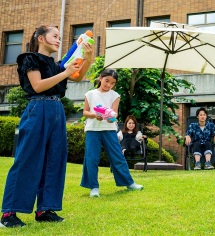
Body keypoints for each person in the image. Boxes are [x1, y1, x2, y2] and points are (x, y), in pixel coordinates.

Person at [1, 25, 93, 228]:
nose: (59, 40)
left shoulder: (55, 64)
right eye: (55, 36)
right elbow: (38, 86)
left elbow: (77, 75)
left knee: (55, 160)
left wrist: (87, 57)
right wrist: (65, 72)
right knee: (27, 158)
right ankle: (8, 213)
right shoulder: (29, 59)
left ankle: (45, 209)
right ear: (41, 38)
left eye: (60, 37)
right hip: (38, 107)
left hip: (57, 110)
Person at [80, 69, 143, 198]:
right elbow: (85, 112)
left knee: (117, 157)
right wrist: (94, 115)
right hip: (92, 130)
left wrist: (110, 117)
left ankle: (129, 183)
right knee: (91, 159)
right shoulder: (90, 94)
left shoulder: (115, 95)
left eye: (112, 83)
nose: (108, 85)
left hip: (109, 129)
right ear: (100, 78)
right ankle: (94, 187)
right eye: (106, 81)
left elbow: (115, 114)